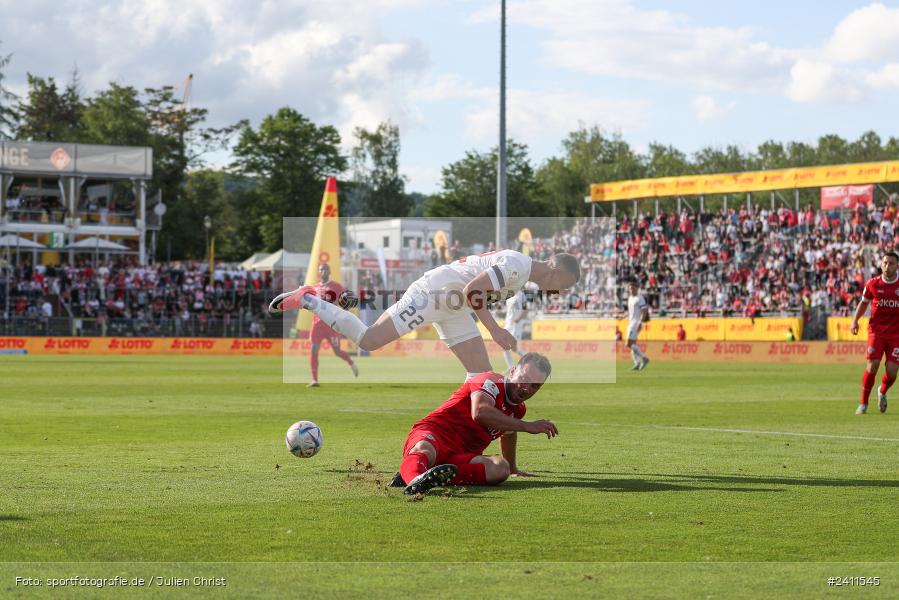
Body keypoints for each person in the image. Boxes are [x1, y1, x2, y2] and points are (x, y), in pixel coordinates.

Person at [270, 249, 580, 378]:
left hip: (453, 307)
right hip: (433, 294)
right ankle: (309, 299)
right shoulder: (517, 265)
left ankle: (465, 443)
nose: (562, 292)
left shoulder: (523, 274)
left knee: (483, 378)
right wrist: (495, 330)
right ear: (555, 272)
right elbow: (473, 290)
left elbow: (473, 294)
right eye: (564, 285)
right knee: (369, 340)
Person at [392, 352, 557, 495]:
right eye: (524, 379)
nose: (527, 388)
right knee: (425, 449)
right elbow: (480, 412)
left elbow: (508, 432)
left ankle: (429, 475)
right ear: (513, 371)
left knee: (500, 468)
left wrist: (513, 469)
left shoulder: (518, 410)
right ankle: (414, 479)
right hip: (435, 433)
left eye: (535, 386)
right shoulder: (490, 381)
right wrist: (527, 426)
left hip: (460, 456)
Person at [850, 251, 899, 414]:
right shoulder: (873, 283)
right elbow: (864, 303)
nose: (887, 266)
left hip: (896, 334)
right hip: (876, 331)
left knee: (892, 373)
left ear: (897, 265)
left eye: (891, 263)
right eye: (885, 263)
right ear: (881, 264)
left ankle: (882, 391)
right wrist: (855, 320)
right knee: (872, 367)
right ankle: (863, 404)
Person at [306, 263, 359, 387]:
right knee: (314, 349)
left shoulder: (336, 286)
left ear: (329, 272)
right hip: (317, 324)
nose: (323, 271)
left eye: (325, 269)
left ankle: (350, 361)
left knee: (337, 351)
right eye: (321, 270)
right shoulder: (314, 288)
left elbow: (344, 302)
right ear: (319, 272)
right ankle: (315, 380)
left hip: (331, 324)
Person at [502, 287, 531, 369]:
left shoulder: (521, 295)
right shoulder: (509, 296)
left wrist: (518, 319)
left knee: (512, 346)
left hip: (516, 325)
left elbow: (526, 309)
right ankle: (510, 367)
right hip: (508, 324)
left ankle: (529, 358)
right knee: (505, 346)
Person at [626, 280, 650, 370]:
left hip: (635, 323)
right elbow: (630, 312)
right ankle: (636, 363)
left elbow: (644, 311)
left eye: (633, 288)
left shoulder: (639, 298)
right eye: (630, 288)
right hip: (630, 322)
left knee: (628, 344)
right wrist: (622, 316)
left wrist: (641, 322)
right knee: (633, 345)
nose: (631, 290)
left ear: (637, 288)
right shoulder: (630, 298)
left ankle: (644, 358)